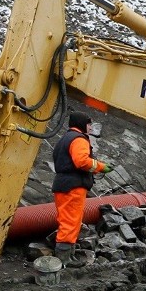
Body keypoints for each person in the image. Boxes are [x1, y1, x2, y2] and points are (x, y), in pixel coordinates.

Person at [52, 111, 113, 266]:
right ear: (81, 124)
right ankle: (64, 259)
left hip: (63, 184)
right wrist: (101, 166)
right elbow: (82, 161)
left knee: (68, 219)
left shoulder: (64, 139)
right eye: (88, 124)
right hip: (73, 186)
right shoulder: (79, 139)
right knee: (71, 220)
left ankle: (68, 256)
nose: (90, 128)